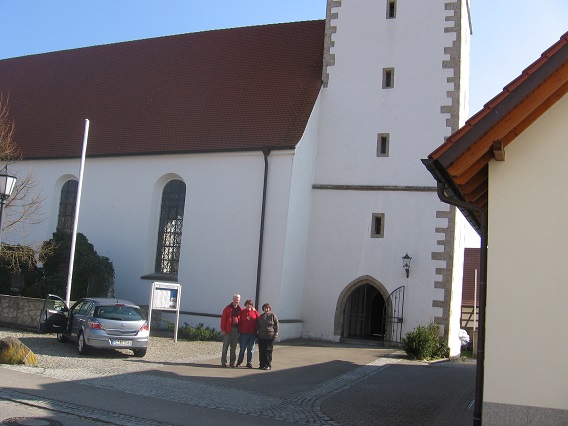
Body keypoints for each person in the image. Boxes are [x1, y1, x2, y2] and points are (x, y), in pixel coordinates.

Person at [236, 299, 260, 368]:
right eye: (247, 304)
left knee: (250, 348)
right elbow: (239, 321)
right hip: (243, 333)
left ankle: (249, 363)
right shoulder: (242, 312)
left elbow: (259, 318)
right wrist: (239, 331)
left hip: (252, 333)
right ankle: (239, 362)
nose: (249, 306)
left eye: (250, 304)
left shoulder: (254, 312)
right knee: (242, 348)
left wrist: (256, 311)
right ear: (245, 305)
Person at [220, 294, 242, 367]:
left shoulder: (240, 309)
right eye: (235, 300)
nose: (236, 301)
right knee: (225, 347)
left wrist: (253, 309)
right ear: (233, 299)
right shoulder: (227, 308)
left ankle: (232, 363)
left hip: (236, 330)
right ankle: (223, 362)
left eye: (238, 300)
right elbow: (223, 319)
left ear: (239, 300)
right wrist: (223, 329)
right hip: (228, 329)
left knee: (233, 347)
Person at [256, 303, 279, 370]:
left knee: (268, 351)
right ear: (263, 309)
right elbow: (258, 325)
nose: (267, 309)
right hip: (261, 336)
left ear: (270, 309)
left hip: (270, 336)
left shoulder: (272, 316)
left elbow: (276, 325)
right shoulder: (260, 316)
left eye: (268, 308)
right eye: (265, 308)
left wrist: (276, 333)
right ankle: (261, 364)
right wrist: (257, 331)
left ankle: (268, 365)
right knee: (262, 351)